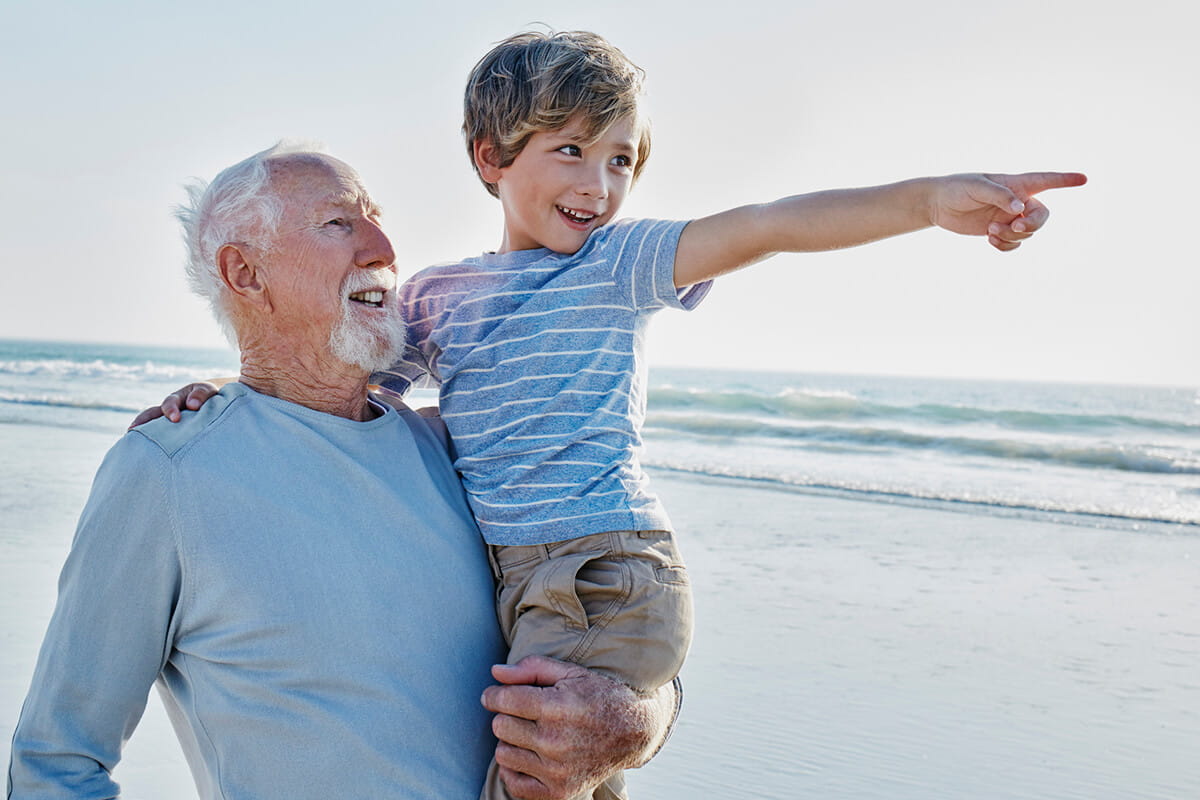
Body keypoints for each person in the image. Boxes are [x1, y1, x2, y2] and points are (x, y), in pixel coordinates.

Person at [143, 29, 1087, 800]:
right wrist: (226, 397)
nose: (598, 185)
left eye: (621, 158)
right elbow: (347, 391)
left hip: (603, 568)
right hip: (516, 582)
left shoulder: (617, 265)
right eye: (570, 150)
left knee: (530, 783)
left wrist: (928, 202)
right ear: (490, 158)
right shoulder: (439, 298)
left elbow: (772, 224)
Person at [6, 144, 677, 800]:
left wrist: (639, 723)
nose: (383, 245)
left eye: (376, 216)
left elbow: (626, 616)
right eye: (338, 222)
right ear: (245, 274)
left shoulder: (461, 448)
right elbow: (56, 763)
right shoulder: (165, 471)